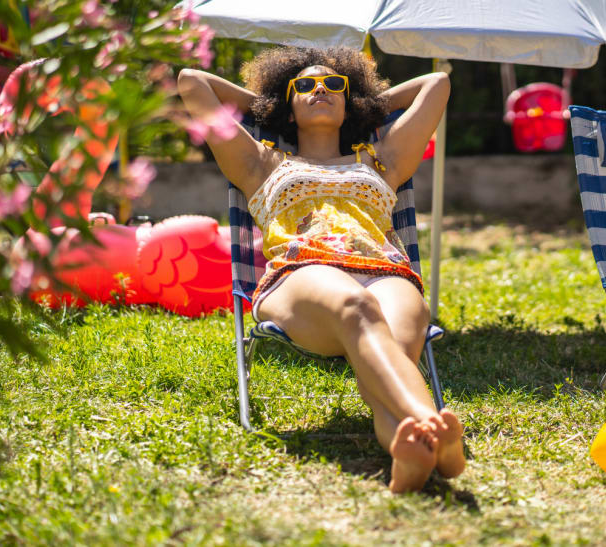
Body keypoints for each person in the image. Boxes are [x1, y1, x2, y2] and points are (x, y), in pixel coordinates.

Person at [177, 47, 464, 493]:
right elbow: (192, 81)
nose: (320, 90)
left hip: (385, 270)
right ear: (287, 104)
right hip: (302, 273)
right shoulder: (260, 162)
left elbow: (437, 85)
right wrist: (269, 107)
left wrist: (366, 105)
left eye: (334, 85)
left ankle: (415, 453)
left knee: (397, 348)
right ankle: (432, 422)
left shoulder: (381, 159)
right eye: (305, 86)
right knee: (357, 305)